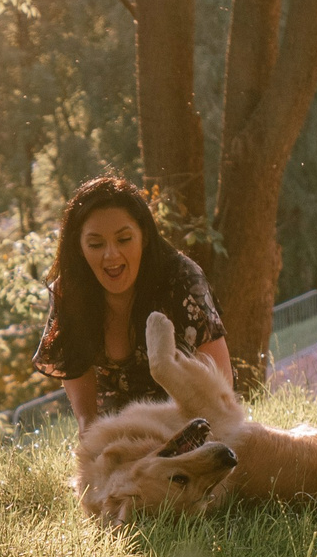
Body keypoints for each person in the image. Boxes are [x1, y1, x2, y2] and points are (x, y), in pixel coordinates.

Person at [32, 175, 230, 426]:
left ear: (144, 236)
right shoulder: (70, 293)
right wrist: (89, 429)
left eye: (124, 240)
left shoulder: (182, 280)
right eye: (95, 244)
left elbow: (221, 395)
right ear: (79, 247)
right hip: (121, 433)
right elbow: (85, 410)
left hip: (192, 422)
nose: (111, 255)